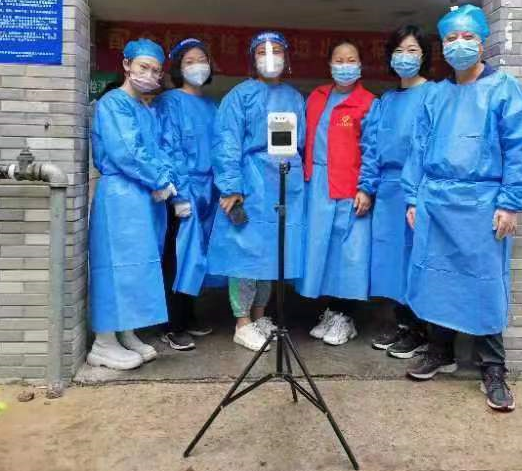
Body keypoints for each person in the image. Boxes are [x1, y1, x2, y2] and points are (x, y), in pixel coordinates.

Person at [401, 5, 522, 412]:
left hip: (482, 203)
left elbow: (520, 148)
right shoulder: (435, 94)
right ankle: (439, 351)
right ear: (442, 46)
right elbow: (418, 148)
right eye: (451, 38)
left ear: (482, 42)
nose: (459, 45)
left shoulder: (504, 89)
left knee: (484, 283)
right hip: (435, 199)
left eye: (468, 37)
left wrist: (510, 203)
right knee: (436, 279)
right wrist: (413, 197)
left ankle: (493, 368)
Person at [87, 38, 185, 370]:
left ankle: (126, 332)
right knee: (115, 266)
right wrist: (159, 180)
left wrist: (167, 180)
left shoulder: (145, 108)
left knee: (138, 266)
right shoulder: (113, 103)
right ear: (126, 64)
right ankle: (103, 342)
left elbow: (158, 151)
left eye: (156, 70)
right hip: (121, 195)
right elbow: (127, 152)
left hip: (144, 197)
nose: (150, 75)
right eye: (144, 67)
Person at [207, 31, 306, 352]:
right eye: (263, 52)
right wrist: (231, 186)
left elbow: (301, 143)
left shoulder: (294, 97)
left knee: (272, 253)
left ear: (286, 58)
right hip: (250, 183)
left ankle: (261, 316)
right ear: (252, 59)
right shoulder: (239, 96)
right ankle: (242, 322)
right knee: (245, 253)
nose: (270, 57)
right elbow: (227, 141)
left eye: (277, 50)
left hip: (284, 184)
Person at [360, 25, 435, 359]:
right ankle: (403, 324)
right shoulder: (386, 101)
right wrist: (367, 187)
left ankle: (423, 331)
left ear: (425, 56)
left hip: (419, 189)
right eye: (399, 51)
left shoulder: (435, 95)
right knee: (392, 262)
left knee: (417, 259)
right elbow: (372, 148)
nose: (405, 57)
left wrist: (418, 193)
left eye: (413, 50)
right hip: (389, 192)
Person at [296, 40, 377, 346]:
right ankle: (331, 312)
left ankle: (346, 316)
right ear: (330, 65)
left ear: (361, 65)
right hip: (317, 183)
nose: (345, 66)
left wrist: (366, 187)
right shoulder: (317, 97)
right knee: (322, 251)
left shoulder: (368, 102)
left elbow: (373, 150)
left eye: (351, 60)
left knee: (350, 254)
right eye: (339, 60)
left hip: (349, 185)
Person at [154, 38, 220, 351]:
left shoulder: (212, 106)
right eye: (189, 61)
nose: (197, 66)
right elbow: (170, 149)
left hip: (209, 189)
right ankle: (172, 324)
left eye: (202, 60)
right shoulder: (169, 102)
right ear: (179, 68)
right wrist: (178, 194)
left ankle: (189, 314)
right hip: (184, 188)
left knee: (197, 256)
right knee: (178, 254)